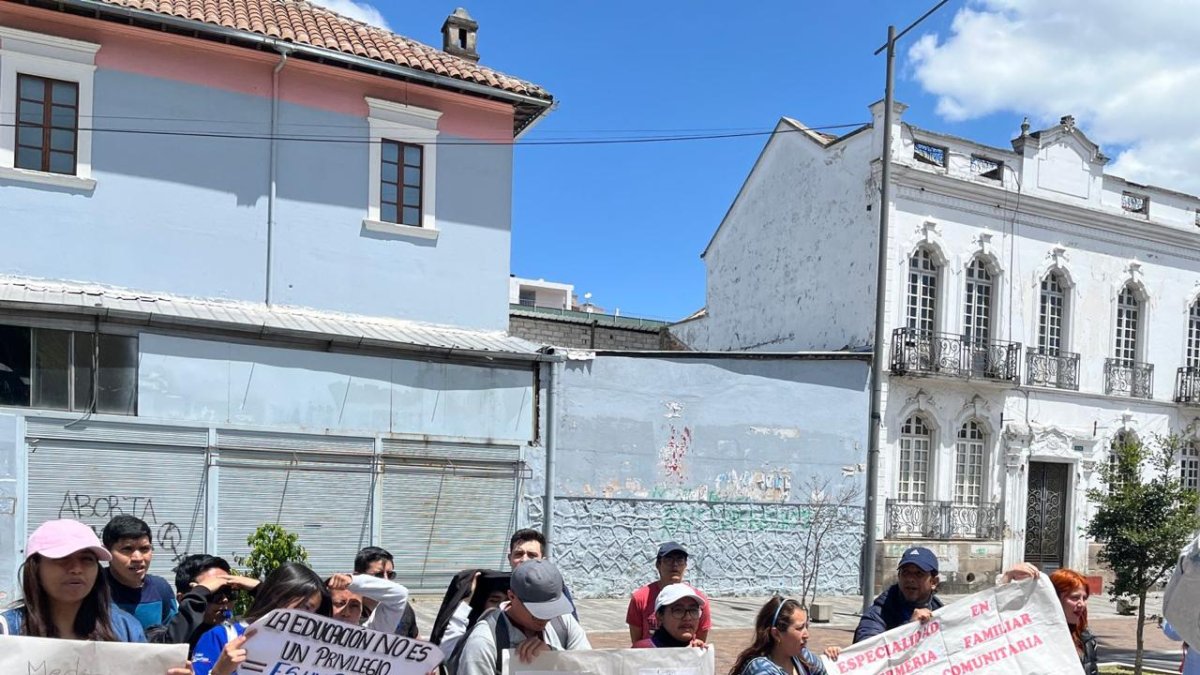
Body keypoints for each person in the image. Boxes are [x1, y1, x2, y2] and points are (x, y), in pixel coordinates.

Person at [0, 519, 191, 674]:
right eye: (61, 558)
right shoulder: (6, 629)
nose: (76, 569)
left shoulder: (125, 629)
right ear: (35, 568)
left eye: (87, 559)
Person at [435, 529, 575, 654]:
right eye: (519, 554)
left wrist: (553, 655)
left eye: (532, 555)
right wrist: (466, 600)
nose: (524, 560)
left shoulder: (562, 618)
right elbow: (452, 649)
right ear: (512, 597)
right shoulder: (484, 635)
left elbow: (585, 662)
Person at [453, 560, 590, 675]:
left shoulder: (563, 622)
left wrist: (553, 657)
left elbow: (590, 668)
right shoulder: (483, 642)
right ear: (512, 596)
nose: (545, 617)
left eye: (551, 609)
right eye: (537, 610)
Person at [191, 562, 331, 675]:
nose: (309, 618)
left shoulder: (315, 649)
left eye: (314, 610)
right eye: (306, 607)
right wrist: (219, 672)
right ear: (277, 595)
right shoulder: (222, 636)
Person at [148, 554, 259, 655]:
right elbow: (167, 650)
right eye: (214, 593)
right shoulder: (158, 635)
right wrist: (200, 592)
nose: (225, 599)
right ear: (183, 599)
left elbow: (273, 619)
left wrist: (259, 588)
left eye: (229, 592)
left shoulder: (237, 634)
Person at [1000, 563, 1097, 675]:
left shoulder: (1085, 639)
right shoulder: (1031, 636)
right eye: (1074, 597)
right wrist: (1006, 577)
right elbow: (999, 618)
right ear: (1054, 598)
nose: (1082, 604)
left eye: (1084, 598)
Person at [101, 514, 179, 632]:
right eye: (127, 549)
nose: (137, 558)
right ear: (107, 552)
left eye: (144, 549)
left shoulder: (160, 589)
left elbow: (172, 638)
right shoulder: (94, 588)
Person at [627, 541, 711, 644]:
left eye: (680, 560)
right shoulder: (640, 598)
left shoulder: (699, 600)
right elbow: (636, 642)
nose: (675, 565)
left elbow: (700, 642)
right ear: (658, 564)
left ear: (685, 565)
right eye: (669, 559)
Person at [853, 546, 942, 643]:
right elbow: (868, 648)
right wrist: (910, 627)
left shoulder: (941, 613)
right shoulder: (879, 613)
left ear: (933, 582)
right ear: (899, 576)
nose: (910, 579)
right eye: (905, 572)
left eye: (919, 574)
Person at [729, 597, 838, 675]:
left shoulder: (802, 656)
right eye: (799, 628)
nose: (807, 635)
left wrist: (836, 659)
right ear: (776, 634)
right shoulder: (760, 669)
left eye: (806, 626)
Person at [354, 546, 420, 637]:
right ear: (357, 577)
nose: (386, 580)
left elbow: (415, 639)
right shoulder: (347, 612)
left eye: (390, 574)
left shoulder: (402, 607)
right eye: (379, 575)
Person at [326, 569, 410, 632]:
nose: (346, 613)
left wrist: (353, 582)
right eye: (339, 604)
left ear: (361, 608)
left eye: (354, 606)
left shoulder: (370, 635)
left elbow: (400, 594)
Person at [632, 583, 707, 648]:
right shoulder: (641, 651)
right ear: (660, 616)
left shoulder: (700, 651)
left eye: (693, 610)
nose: (688, 617)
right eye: (678, 610)